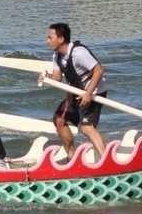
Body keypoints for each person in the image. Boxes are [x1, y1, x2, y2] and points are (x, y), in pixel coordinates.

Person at [41, 22, 107, 160]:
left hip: (94, 93)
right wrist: (46, 77)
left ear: (61, 39)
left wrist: (88, 93)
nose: (47, 41)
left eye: (50, 37)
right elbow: (57, 78)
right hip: (76, 93)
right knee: (59, 119)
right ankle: (72, 156)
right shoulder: (57, 56)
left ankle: (106, 160)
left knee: (86, 128)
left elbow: (99, 70)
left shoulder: (78, 53)